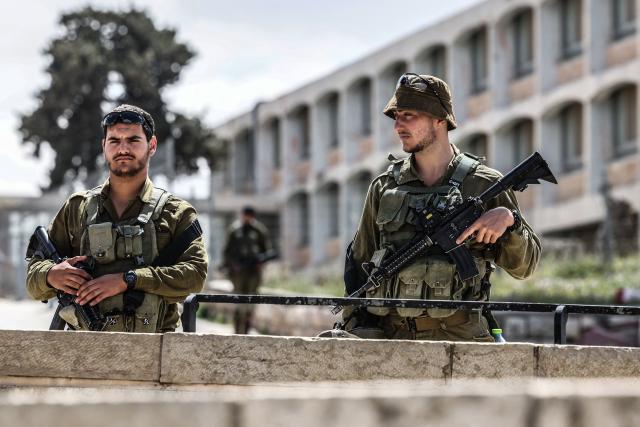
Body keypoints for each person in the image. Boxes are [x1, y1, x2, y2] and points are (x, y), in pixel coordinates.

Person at [341, 73, 541, 341]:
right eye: (396, 116)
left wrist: (509, 220)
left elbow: (524, 268)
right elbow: (359, 263)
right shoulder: (384, 186)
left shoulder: (483, 183)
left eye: (409, 115)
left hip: (462, 339)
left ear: (439, 119)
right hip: (392, 338)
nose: (398, 125)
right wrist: (355, 324)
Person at [25, 104, 208, 332]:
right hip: (85, 353)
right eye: (114, 141)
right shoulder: (77, 208)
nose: (123, 148)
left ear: (151, 145)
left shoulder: (176, 212)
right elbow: (33, 276)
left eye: (133, 140)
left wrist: (128, 279)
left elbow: (195, 274)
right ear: (104, 146)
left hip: (155, 354)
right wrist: (51, 275)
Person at [222, 206, 273, 334]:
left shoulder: (259, 231)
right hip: (238, 272)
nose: (247, 219)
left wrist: (261, 263)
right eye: (245, 216)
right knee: (238, 299)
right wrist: (232, 265)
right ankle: (237, 329)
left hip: (253, 272)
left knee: (251, 299)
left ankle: (246, 329)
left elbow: (266, 250)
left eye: (249, 216)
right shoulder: (234, 230)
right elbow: (227, 252)